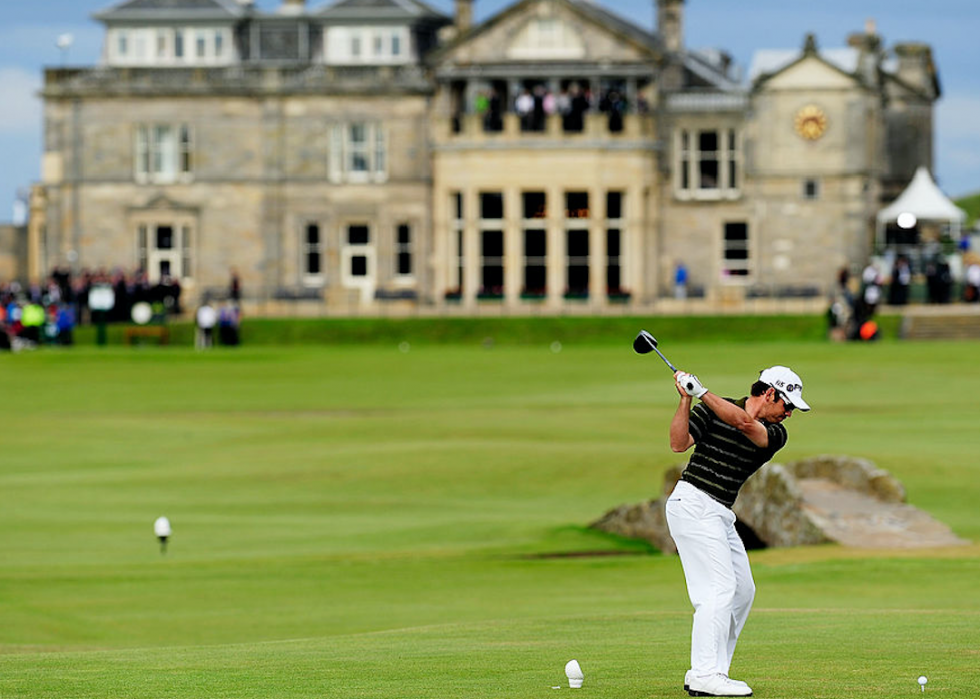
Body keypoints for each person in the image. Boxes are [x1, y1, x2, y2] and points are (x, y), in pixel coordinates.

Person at [666, 366, 810, 697]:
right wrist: (686, 400)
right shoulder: (712, 409)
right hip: (692, 503)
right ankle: (705, 674)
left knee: (742, 591)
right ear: (770, 393)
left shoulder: (775, 434)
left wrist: (702, 392)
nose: (789, 414)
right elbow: (678, 443)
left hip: (718, 513)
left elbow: (744, 423)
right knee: (718, 589)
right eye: (787, 405)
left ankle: (714, 669)